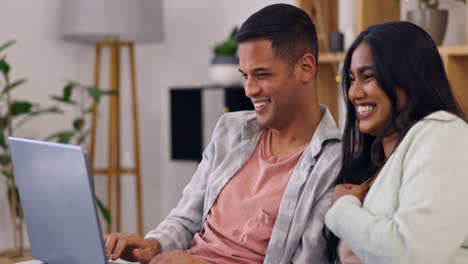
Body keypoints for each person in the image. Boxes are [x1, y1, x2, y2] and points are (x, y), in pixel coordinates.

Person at [104, 4, 342, 264]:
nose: (249, 90)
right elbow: (185, 220)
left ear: (306, 67)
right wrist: (152, 245)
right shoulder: (230, 130)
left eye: (261, 75)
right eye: (245, 76)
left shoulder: (334, 162)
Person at [324, 21, 468, 264]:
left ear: (409, 78)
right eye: (351, 79)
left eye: (367, 77)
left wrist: (342, 209)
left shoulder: (444, 132)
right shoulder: (375, 161)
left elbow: (412, 254)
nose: (354, 93)